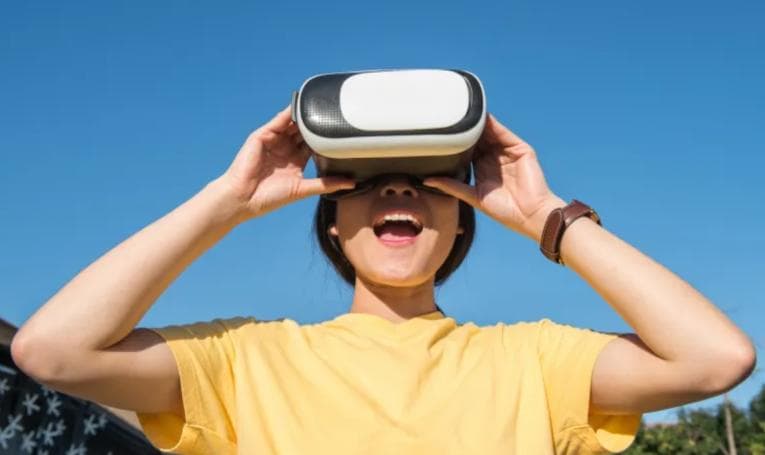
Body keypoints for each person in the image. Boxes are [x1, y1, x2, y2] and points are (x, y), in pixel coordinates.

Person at [10, 105, 756, 454]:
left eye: (429, 179)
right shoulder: (245, 359)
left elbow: (714, 359)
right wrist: (224, 204)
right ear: (331, 219)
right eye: (367, 180)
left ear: (461, 217)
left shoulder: (533, 361)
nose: (398, 192)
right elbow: (51, 352)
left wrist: (546, 217)